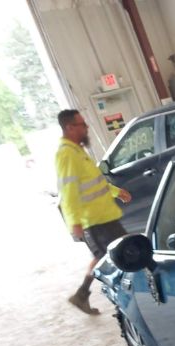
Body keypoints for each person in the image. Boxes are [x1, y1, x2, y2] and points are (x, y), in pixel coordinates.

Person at [55, 109, 132, 315]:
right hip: (95, 221)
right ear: (70, 128)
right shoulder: (66, 154)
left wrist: (116, 192)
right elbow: (68, 191)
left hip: (105, 217)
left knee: (107, 256)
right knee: (119, 256)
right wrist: (75, 222)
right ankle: (124, 302)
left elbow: (94, 182)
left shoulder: (78, 151)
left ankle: (81, 295)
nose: (86, 127)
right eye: (82, 124)